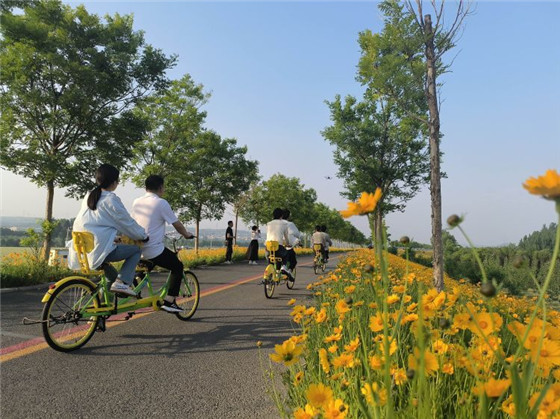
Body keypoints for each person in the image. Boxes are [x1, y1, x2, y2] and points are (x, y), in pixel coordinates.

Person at [68, 164, 148, 297]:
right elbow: (127, 223)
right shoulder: (111, 200)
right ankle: (122, 282)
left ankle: (104, 306)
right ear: (115, 182)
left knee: (111, 277)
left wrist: (113, 238)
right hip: (99, 250)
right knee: (136, 251)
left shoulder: (89, 196)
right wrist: (143, 236)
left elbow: (94, 224)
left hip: (84, 250)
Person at [132, 175, 195, 313]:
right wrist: (186, 234)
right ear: (161, 187)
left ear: (146, 187)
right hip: (153, 249)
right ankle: (170, 301)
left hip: (137, 248)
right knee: (177, 266)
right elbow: (176, 224)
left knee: (148, 263)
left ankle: (135, 283)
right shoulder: (161, 203)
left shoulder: (137, 202)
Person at [265, 208, 291, 274]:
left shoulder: (268, 223)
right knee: (286, 254)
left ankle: (271, 269)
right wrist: (288, 244)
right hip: (278, 247)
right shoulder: (284, 224)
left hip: (268, 247)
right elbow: (286, 237)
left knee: (270, 258)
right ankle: (283, 267)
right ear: (281, 215)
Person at [283, 209, 301, 274]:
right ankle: (289, 272)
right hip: (286, 246)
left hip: (272, 246)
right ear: (288, 216)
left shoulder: (274, 224)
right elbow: (297, 234)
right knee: (293, 261)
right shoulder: (290, 224)